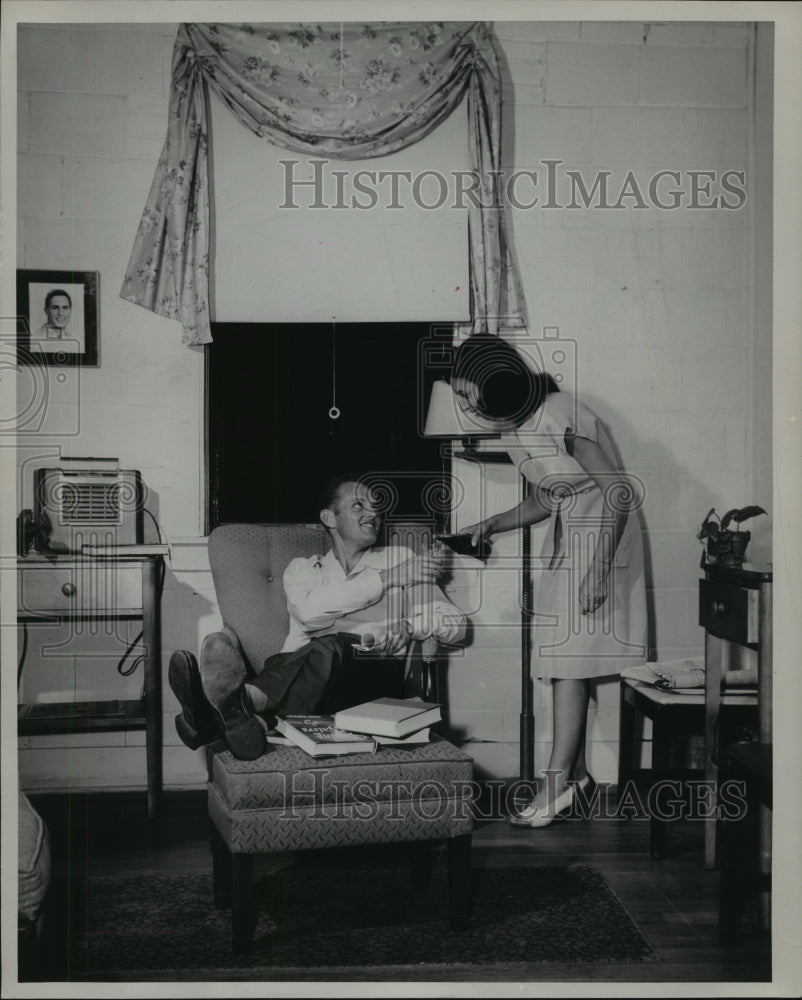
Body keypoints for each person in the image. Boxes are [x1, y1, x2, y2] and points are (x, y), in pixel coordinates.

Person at [450, 333, 647, 828]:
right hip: (571, 532)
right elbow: (549, 497)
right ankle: (573, 777)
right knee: (563, 659)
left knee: (567, 661)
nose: (462, 402)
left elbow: (619, 491)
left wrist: (601, 567)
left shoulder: (559, 410)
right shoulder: (513, 426)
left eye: (464, 391)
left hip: (604, 531)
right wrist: (489, 525)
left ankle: (556, 780)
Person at [169, 475, 468, 759]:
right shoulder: (303, 569)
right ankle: (247, 723)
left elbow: (456, 623)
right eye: (358, 505)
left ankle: (229, 707)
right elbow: (310, 614)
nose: (372, 514)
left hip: (373, 681)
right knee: (323, 647)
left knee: (333, 645)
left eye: (376, 507)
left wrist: (410, 625)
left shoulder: (402, 560)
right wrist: (386, 580)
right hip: (301, 678)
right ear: (329, 518)